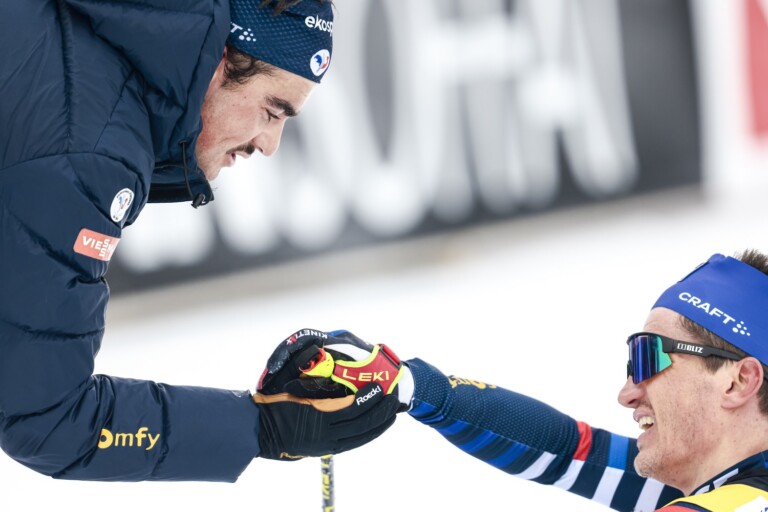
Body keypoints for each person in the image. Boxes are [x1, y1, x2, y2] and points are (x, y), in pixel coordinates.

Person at [0, 0, 402, 481]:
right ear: (217, 59)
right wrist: (263, 428)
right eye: (271, 111)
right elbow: (46, 419)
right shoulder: (89, 150)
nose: (269, 145)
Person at [263, 250, 768, 511]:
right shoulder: (724, 481)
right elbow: (569, 452)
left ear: (738, 381)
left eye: (647, 358)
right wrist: (408, 386)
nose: (627, 391)